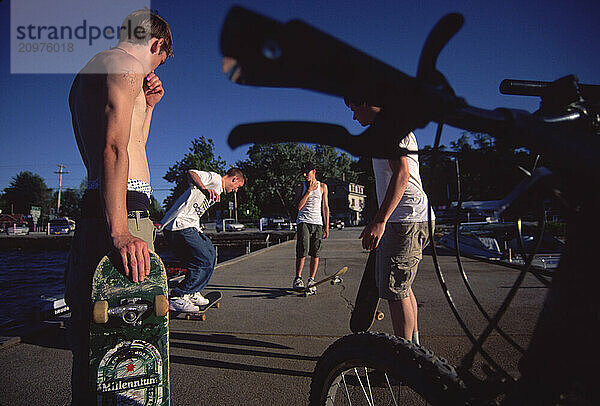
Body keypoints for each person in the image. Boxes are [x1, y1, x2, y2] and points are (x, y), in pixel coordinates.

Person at [65, 10, 173, 404]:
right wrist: (121, 229)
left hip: (100, 203)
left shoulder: (86, 77)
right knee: (134, 342)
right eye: (158, 60)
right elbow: (113, 147)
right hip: (121, 210)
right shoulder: (126, 65)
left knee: (93, 340)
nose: (153, 68)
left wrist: (149, 105)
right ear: (156, 44)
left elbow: (132, 143)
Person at [346, 98, 434, 344]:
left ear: (364, 102)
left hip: (404, 220)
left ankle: (403, 362)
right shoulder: (396, 126)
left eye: (354, 109)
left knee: (395, 292)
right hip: (413, 217)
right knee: (403, 288)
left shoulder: (387, 129)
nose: (354, 117)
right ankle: (415, 351)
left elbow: (402, 174)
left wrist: (380, 221)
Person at [160, 168, 245, 311]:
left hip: (187, 226)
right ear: (234, 179)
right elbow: (191, 173)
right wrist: (204, 188)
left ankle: (192, 291)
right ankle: (178, 296)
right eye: (237, 187)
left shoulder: (218, 191)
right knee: (204, 258)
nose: (235, 191)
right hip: (179, 226)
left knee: (210, 256)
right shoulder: (215, 179)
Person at [293, 162, 330, 292]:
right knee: (303, 249)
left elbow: (325, 207)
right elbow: (298, 207)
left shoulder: (323, 187)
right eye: (303, 172)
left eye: (306, 172)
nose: (304, 175)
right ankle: (298, 278)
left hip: (318, 222)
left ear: (313, 171)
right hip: (303, 221)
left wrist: (327, 226)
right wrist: (308, 191)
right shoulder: (300, 186)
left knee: (316, 252)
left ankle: (311, 279)